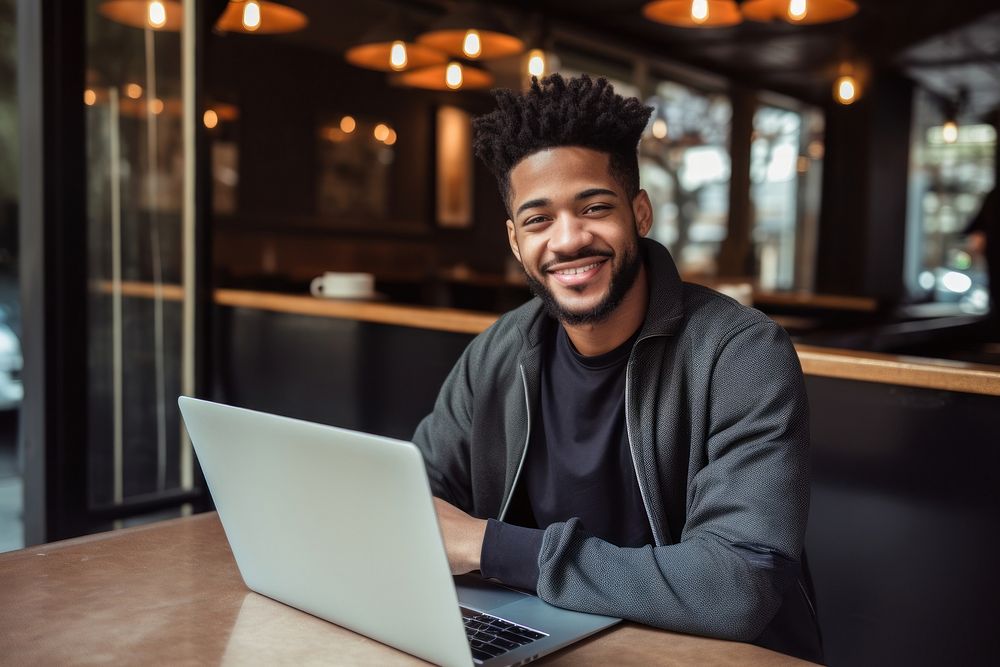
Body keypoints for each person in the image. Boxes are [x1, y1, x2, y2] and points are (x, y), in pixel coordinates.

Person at [413, 74, 822, 662]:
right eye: (538, 220)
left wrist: (493, 547)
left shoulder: (742, 353)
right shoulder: (497, 351)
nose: (568, 239)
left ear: (640, 211)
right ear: (514, 240)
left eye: (594, 208)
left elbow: (738, 585)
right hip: (558, 644)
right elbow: (414, 506)